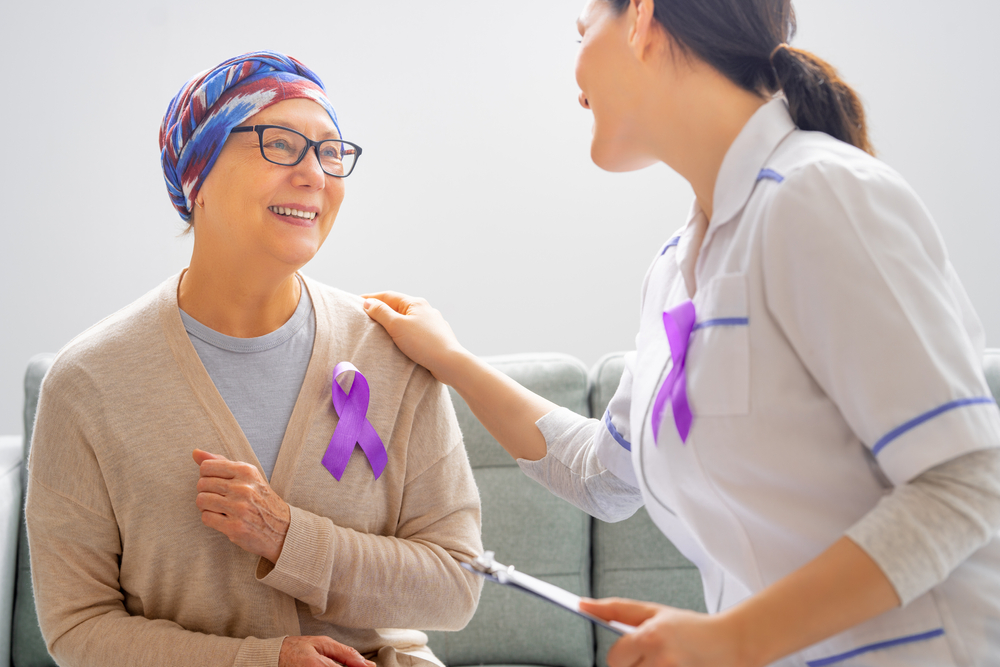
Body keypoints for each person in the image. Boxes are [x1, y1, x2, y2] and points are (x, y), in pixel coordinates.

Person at [362, 1, 1000, 665]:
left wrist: (732, 639)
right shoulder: (675, 270)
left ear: (641, 18)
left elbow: (964, 481)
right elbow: (601, 477)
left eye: (583, 35)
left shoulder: (820, 194)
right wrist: (451, 358)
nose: (574, 72)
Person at [25, 51, 482, 667]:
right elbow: (78, 629)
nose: (315, 174)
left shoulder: (394, 354)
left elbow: (457, 586)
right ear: (198, 175)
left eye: (329, 150)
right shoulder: (87, 384)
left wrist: (289, 538)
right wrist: (261, 662)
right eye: (281, 143)